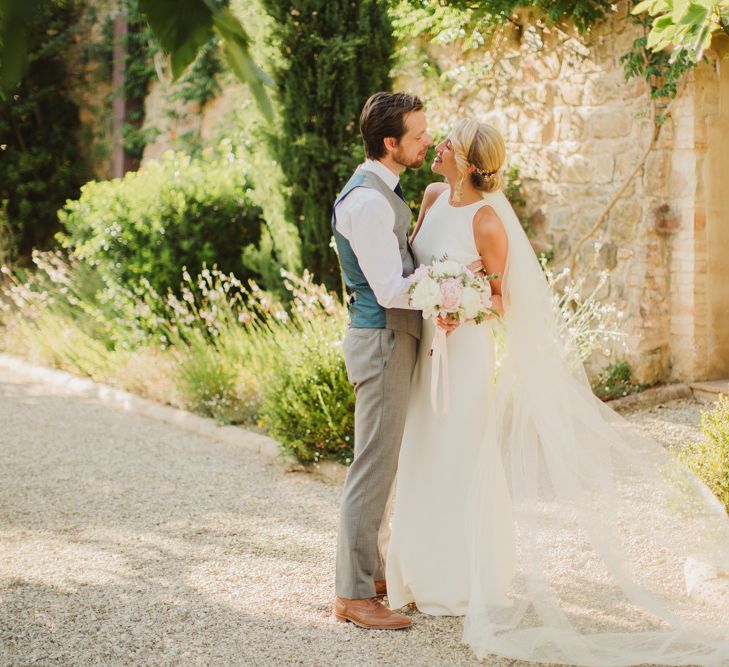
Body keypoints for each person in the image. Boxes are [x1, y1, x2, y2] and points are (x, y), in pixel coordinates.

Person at [386, 118, 729, 665]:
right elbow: (411, 263)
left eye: (448, 141)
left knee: (458, 458)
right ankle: (412, 571)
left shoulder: (488, 222)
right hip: (423, 347)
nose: (439, 146)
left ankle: (459, 580)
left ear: (470, 161)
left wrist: (458, 306)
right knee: (420, 454)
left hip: (465, 351)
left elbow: (504, 300)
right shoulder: (430, 196)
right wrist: (433, 298)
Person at [330, 91, 433, 630]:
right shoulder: (368, 202)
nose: (426, 141)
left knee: (384, 464)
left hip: (393, 339)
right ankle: (351, 595)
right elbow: (391, 289)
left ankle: (369, 575)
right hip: (383, 339)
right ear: (389, 143)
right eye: (417, 135)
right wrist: (448, 288)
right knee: (371, 467)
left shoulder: (383, 193)